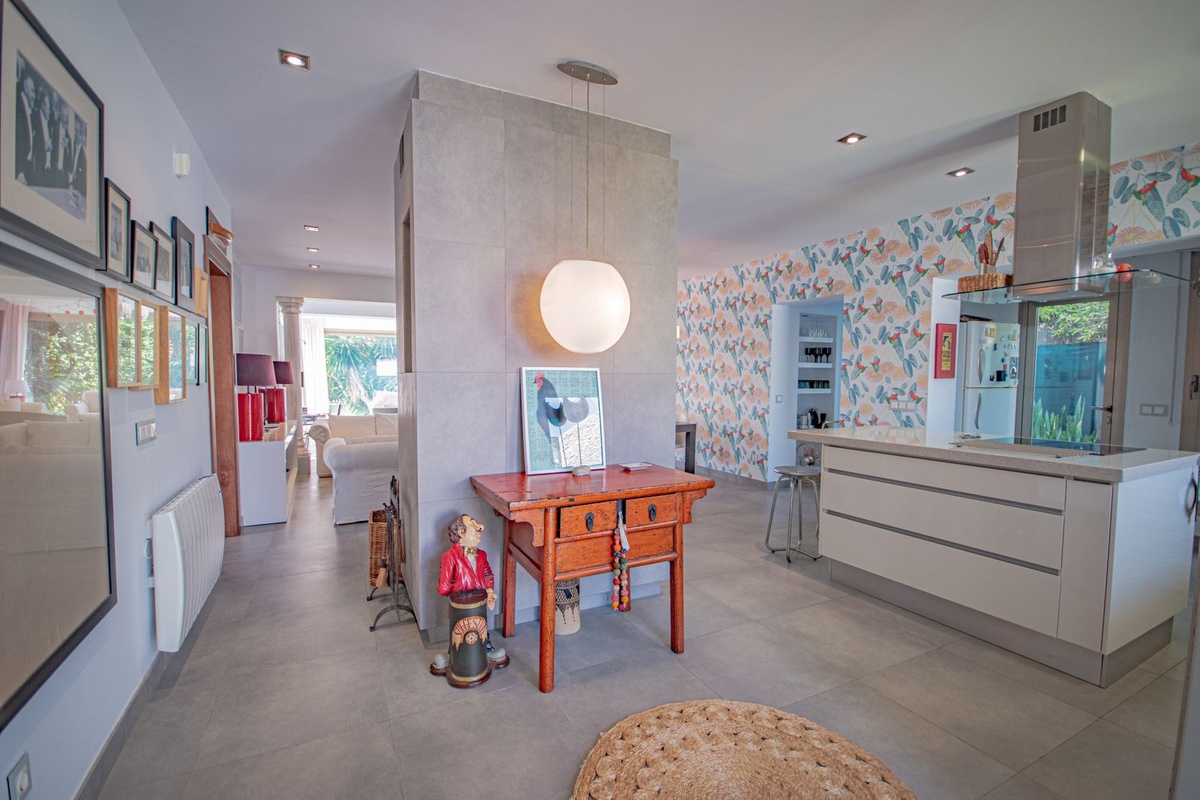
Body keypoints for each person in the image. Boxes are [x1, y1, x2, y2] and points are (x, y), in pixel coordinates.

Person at [430, 514, 508, 686]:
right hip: (460, 609)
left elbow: (488, 575)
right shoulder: (450, 557)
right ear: (461, 532)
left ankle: (486, 650)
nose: (481, 527)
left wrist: (489, 590)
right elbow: (443, 588)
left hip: (479, 605)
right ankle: (452, 656)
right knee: (459, 633)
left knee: (481, 628)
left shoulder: (482, 555)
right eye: (473, 524)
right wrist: (461, 594)